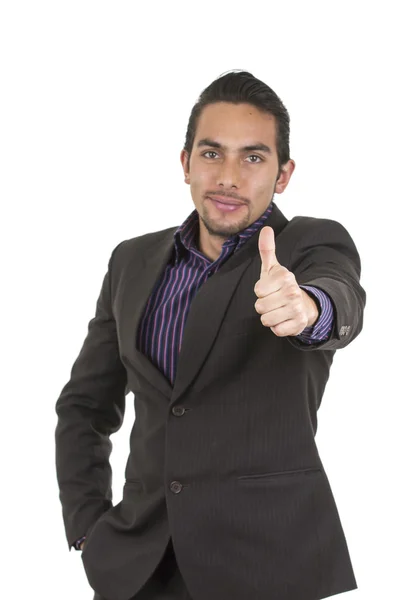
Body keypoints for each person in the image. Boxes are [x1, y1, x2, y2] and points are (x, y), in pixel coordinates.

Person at [55, 69, 366, 600]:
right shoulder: (131, 261)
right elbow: (84, 406)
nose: (228, 176)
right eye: (211, 153)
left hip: (268, 569)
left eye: (253, 157)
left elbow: (338, 294)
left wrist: (308, 308)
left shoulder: (309, 244)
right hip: (138, 570)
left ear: (283, 174)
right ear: (185, 163)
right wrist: (89, 529)